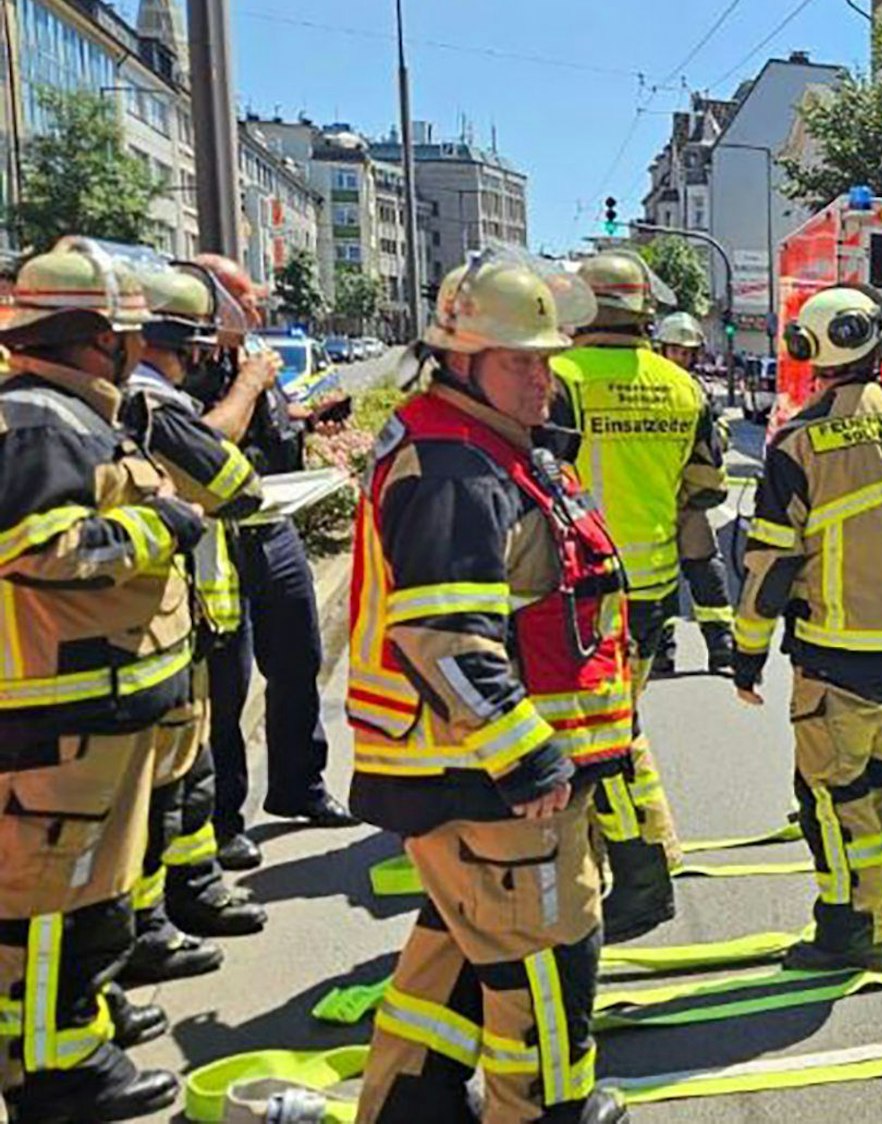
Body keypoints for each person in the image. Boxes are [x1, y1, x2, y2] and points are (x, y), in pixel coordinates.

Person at [347, 254, 629, 1123]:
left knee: (458, 948)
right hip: (489, 784)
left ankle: (411, 1103)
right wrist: (531, 762)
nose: (543, 380)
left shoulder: (478, 451)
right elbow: (444, 639)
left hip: (470, 778)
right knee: (545, 966)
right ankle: (545, 1111)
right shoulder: (456, 471)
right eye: (520, 362)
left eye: (546, 359)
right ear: (460, 362)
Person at [734, 285, 882, 973]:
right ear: (876, 347)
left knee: (835, 801)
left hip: (835, 664)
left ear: (809, 352)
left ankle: (851, 930)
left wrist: (746, 656)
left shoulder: (797, 444)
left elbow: (771, 570)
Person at [0, 239, 190, 1121]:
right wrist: (163, 531)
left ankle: (70, 1033)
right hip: (57, 713)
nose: (136, 350)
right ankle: (56, 1075)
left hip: (90, 706)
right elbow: (40, 549)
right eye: (125, 335)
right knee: (52, 911)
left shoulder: (67, 414)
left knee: (84, 900)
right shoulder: (43, 422)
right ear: (91, 338)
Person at [548, 253, 725, 944]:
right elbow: (706, 488)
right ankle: (641, 859)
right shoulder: (682, 387)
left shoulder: (558, 381)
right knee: (616, 727)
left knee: (601, 740)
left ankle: (642, 872)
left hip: (574, 591)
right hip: (649, 589)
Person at [118, 259, 269, 990]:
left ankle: (181, 898)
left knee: (181, 777)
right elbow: (235, 487)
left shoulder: (102, 407)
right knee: (170, 782)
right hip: (152, 630)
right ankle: (156, 922)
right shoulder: (149, 405)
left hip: (157, 626)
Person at [192, 254, 355, 875]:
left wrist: (310, 421)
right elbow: (202, 446)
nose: (258, 310)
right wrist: (250, 384)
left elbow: (266, 434)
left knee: (298, 662)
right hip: (219, 539)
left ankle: (298, 784)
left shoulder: (248, 356)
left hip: (274, 525)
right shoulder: (191, 365)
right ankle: (223, 818)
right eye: (246, 300)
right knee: (226, 685)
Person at [656, 309, 736, 676]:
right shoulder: (657, 388)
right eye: (676, 351)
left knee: (706, 571)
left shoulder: (698, 390)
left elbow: (718, 437)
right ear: (662, 349)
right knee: (660, 578)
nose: (682, 359)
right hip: (655, 497)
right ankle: (661, 650)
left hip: (687, 499)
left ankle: (721, 647)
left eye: (688, 353)